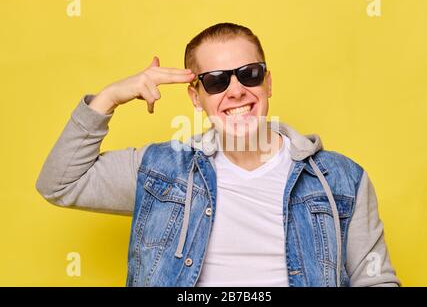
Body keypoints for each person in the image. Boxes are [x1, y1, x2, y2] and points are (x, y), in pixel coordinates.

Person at [36, 22, 400, 287]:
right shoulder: (162, 170)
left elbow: (375, 279)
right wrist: (109, 97)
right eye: (216, 80)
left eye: (249, 74)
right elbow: (61, 183)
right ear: (196, 97)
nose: (237, 90)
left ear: (268, 82)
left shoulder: (341, 179)